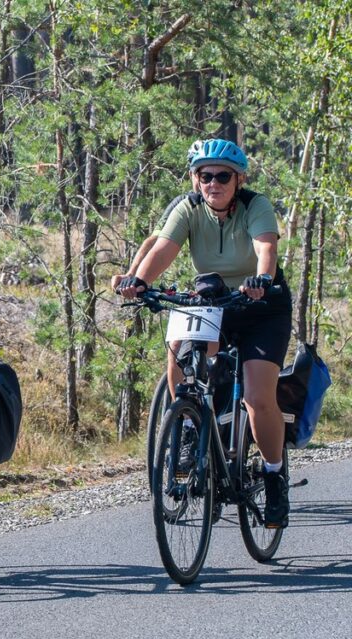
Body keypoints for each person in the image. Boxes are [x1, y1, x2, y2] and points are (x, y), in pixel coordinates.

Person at [116, 138, 292, 528]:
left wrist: (262, 277)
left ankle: (274, 474)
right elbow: (163, 248)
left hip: (262, 305)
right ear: (196, 180)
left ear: (238, 179)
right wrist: (139, 281)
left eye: (222, 176)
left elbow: (266, 247)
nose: (212, 182)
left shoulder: (255, 205)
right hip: (214, 301)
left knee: (257, 397)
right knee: (180, 345)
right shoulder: (189, 207)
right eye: (204, 175)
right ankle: (189, 426)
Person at [111, 139, 205, 291]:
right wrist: (132, 275)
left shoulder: (246, 204)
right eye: (201, 174)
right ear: (191, 175)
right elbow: (155, 241)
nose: (210, 181)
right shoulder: (184, 205)